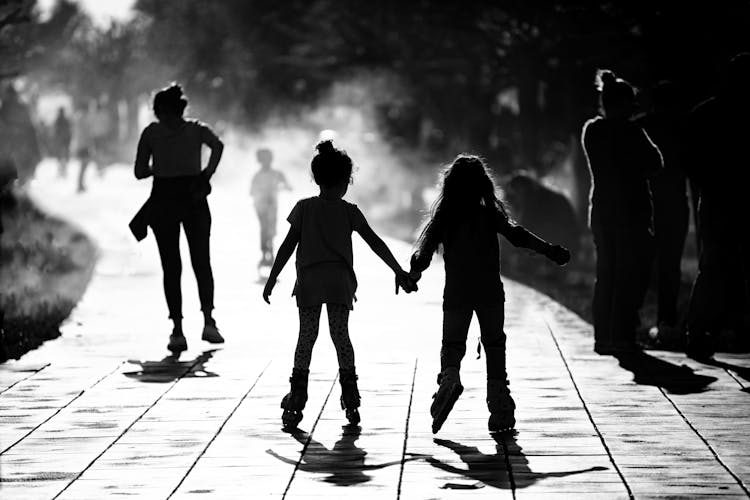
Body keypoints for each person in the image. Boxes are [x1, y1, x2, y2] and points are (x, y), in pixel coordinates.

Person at [408, 154, 570, 434]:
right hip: (490, 291)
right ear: (483, 185)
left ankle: (449, 379)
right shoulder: (489, 215)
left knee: (452, 344)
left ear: (450, 186)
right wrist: (550, 250)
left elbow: (423, 253)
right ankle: (500, 406)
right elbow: (518, 236)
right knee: (494, 344)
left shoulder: (444, 218)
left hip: (457, 292)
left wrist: (413, 274)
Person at [262, 140, 416, 429]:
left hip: (309, 282)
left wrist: (272, 278)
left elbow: (286, 247)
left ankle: (297, 396)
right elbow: (375, 243)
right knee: (340, 336)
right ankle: (350, 394)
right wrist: (398, 270)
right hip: (339, 283)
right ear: (346, 181)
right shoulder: (349, 212)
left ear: (317, 178)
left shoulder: (303, 209)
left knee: (306, 337)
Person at [133, 83, 225, 353]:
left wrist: (160, 166)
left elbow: (139, 171)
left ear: (161, 109)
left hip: (163, 199)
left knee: (171, 266)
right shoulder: (197, 130)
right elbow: (218, 146)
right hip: (195, 197)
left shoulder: (151, 133)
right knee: (201, 261)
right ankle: (209, 321)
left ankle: (177, 329)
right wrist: (206, 174)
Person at [582, 69, 662, 355]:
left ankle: (603, 337)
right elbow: (656, 162)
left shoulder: (592, 130)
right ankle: (623, 335)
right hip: (631, 212)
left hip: (601, 212)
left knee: (606, 273)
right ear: (625, 104)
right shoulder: (632, 132)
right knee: (630, 274)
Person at [684, 53, 750, 360]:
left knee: (713, 268)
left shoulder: (704, 113)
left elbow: (690, 162)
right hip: (726, 200)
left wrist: (708, 187)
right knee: (720, 267)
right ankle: (730, 330)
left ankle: (698, 332)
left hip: (714, 200)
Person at [639, 81, 690, 344]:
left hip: (643, 204)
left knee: (639, 263)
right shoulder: (684, 127)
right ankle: (666, 323)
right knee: (670, 266)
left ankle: (631, 320)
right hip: (674, 204)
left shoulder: (639, 125)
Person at [250, 147, 291, 266]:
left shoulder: (276, 174)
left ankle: (269, 252)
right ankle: (266, 253)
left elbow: (288, 186)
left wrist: (281, 188)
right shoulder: (258, 176)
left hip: (271, 206)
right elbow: (252, 192)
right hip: (261, 207)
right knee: (265, 228)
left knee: (270, 229)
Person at [52, 107, 72, 178]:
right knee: (63, 157)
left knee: (61, 157)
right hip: (63, 141)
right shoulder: (64, 120)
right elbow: (69, 131)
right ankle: (62, 171)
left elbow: (55, 132)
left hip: (61, 141)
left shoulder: (59, 120)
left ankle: (62, 171)